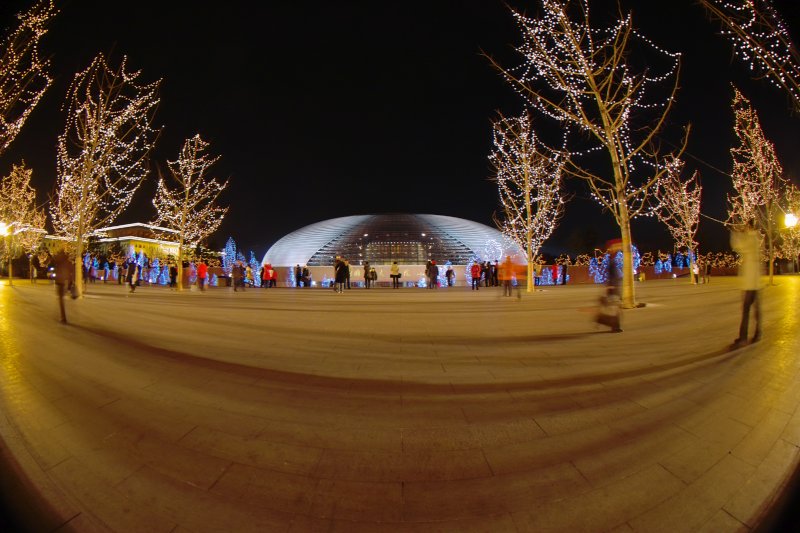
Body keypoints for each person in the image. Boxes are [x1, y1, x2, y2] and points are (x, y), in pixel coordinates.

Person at [731, 223, 762, 348]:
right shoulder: (755, 238)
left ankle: (744, 337)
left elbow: (739, 246)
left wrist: (735, 233)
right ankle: (758, 333)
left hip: (751, 283)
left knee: (746, 310)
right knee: (754, 310)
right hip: (754, 282)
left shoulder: (752, 239)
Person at [596, 240, 622, 332]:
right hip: (613, 288)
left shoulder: (613, 261)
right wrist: (611, 285)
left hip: (614, 287)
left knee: (614, 307)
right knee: (614, 308)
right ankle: (615, 326)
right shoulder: (611, 261)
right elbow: (614, 275)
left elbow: (615, 275)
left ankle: (614, 325)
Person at [54, 251, 73, 323]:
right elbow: (71, 271)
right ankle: (63, 316)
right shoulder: (67, 262)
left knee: (61, 299)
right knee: (61, 299)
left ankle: (63, 317)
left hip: (60, 282)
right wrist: (70, 282)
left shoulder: (58, 262)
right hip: (65, 281)